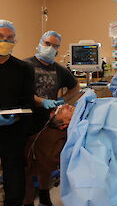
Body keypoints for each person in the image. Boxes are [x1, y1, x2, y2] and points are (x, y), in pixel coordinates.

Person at [23, 31, 80, 206]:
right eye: (48, 43)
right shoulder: (25, 66)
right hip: (26, 120)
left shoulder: (60, 70)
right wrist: (41, 101)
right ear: (40, 43)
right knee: (26, 163)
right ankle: (27, 198)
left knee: (46, 162)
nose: (51, 48)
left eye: (55, 46)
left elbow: (76, 87)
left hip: (50, 122)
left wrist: (64, 100)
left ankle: (44, 193)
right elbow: (21, 92)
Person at [0, 20, 34, 206]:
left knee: (14, 178)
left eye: (10, 38)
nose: (5, 41)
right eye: (1, 37)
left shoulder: (23, 69)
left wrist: (16, 117)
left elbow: (28, 102)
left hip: (12, 129)